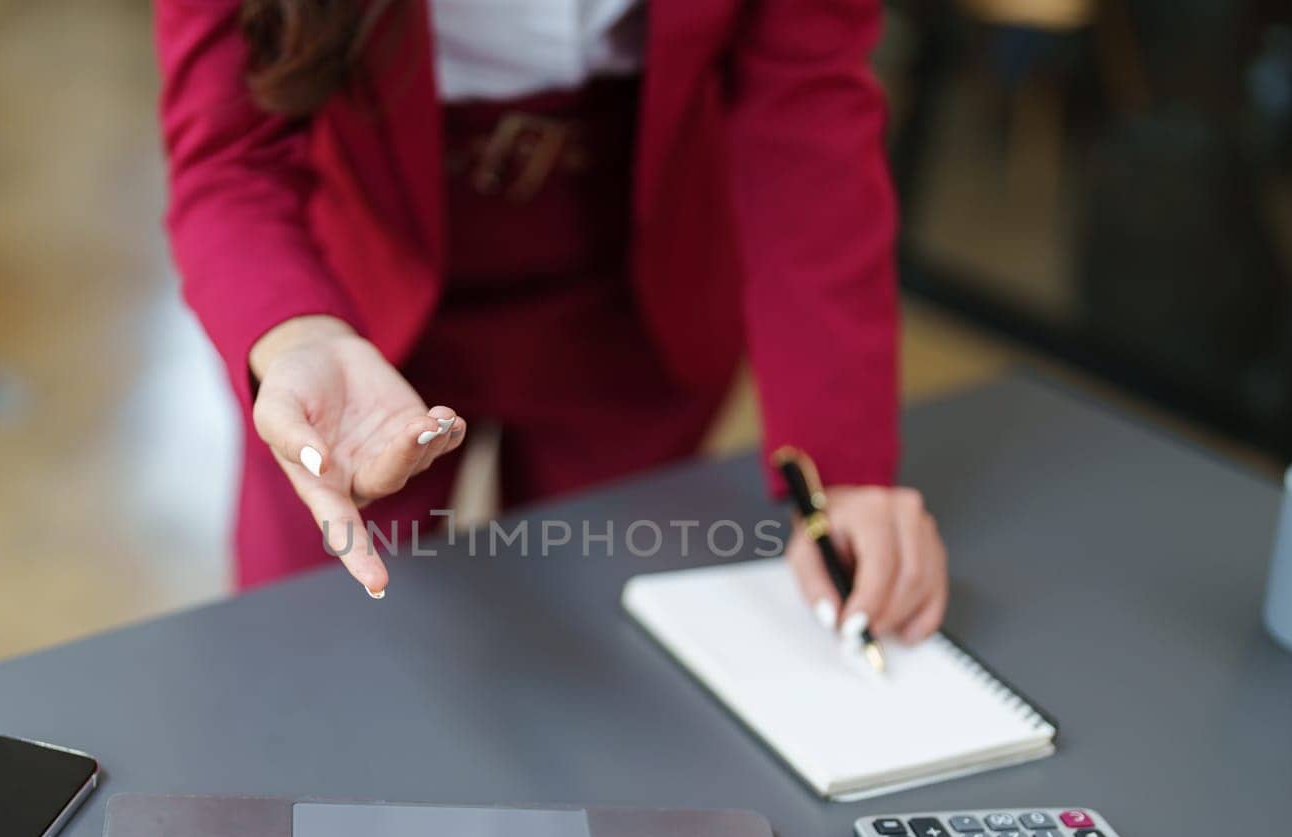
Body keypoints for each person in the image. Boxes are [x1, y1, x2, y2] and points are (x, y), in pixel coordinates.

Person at [154, 0, 949, 644]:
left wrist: (841, 469)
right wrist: (298, 334)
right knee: (322, 654)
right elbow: (231, 156)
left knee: (599, 656)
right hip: (351, 312)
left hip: (634, 300)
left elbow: (804, 114)